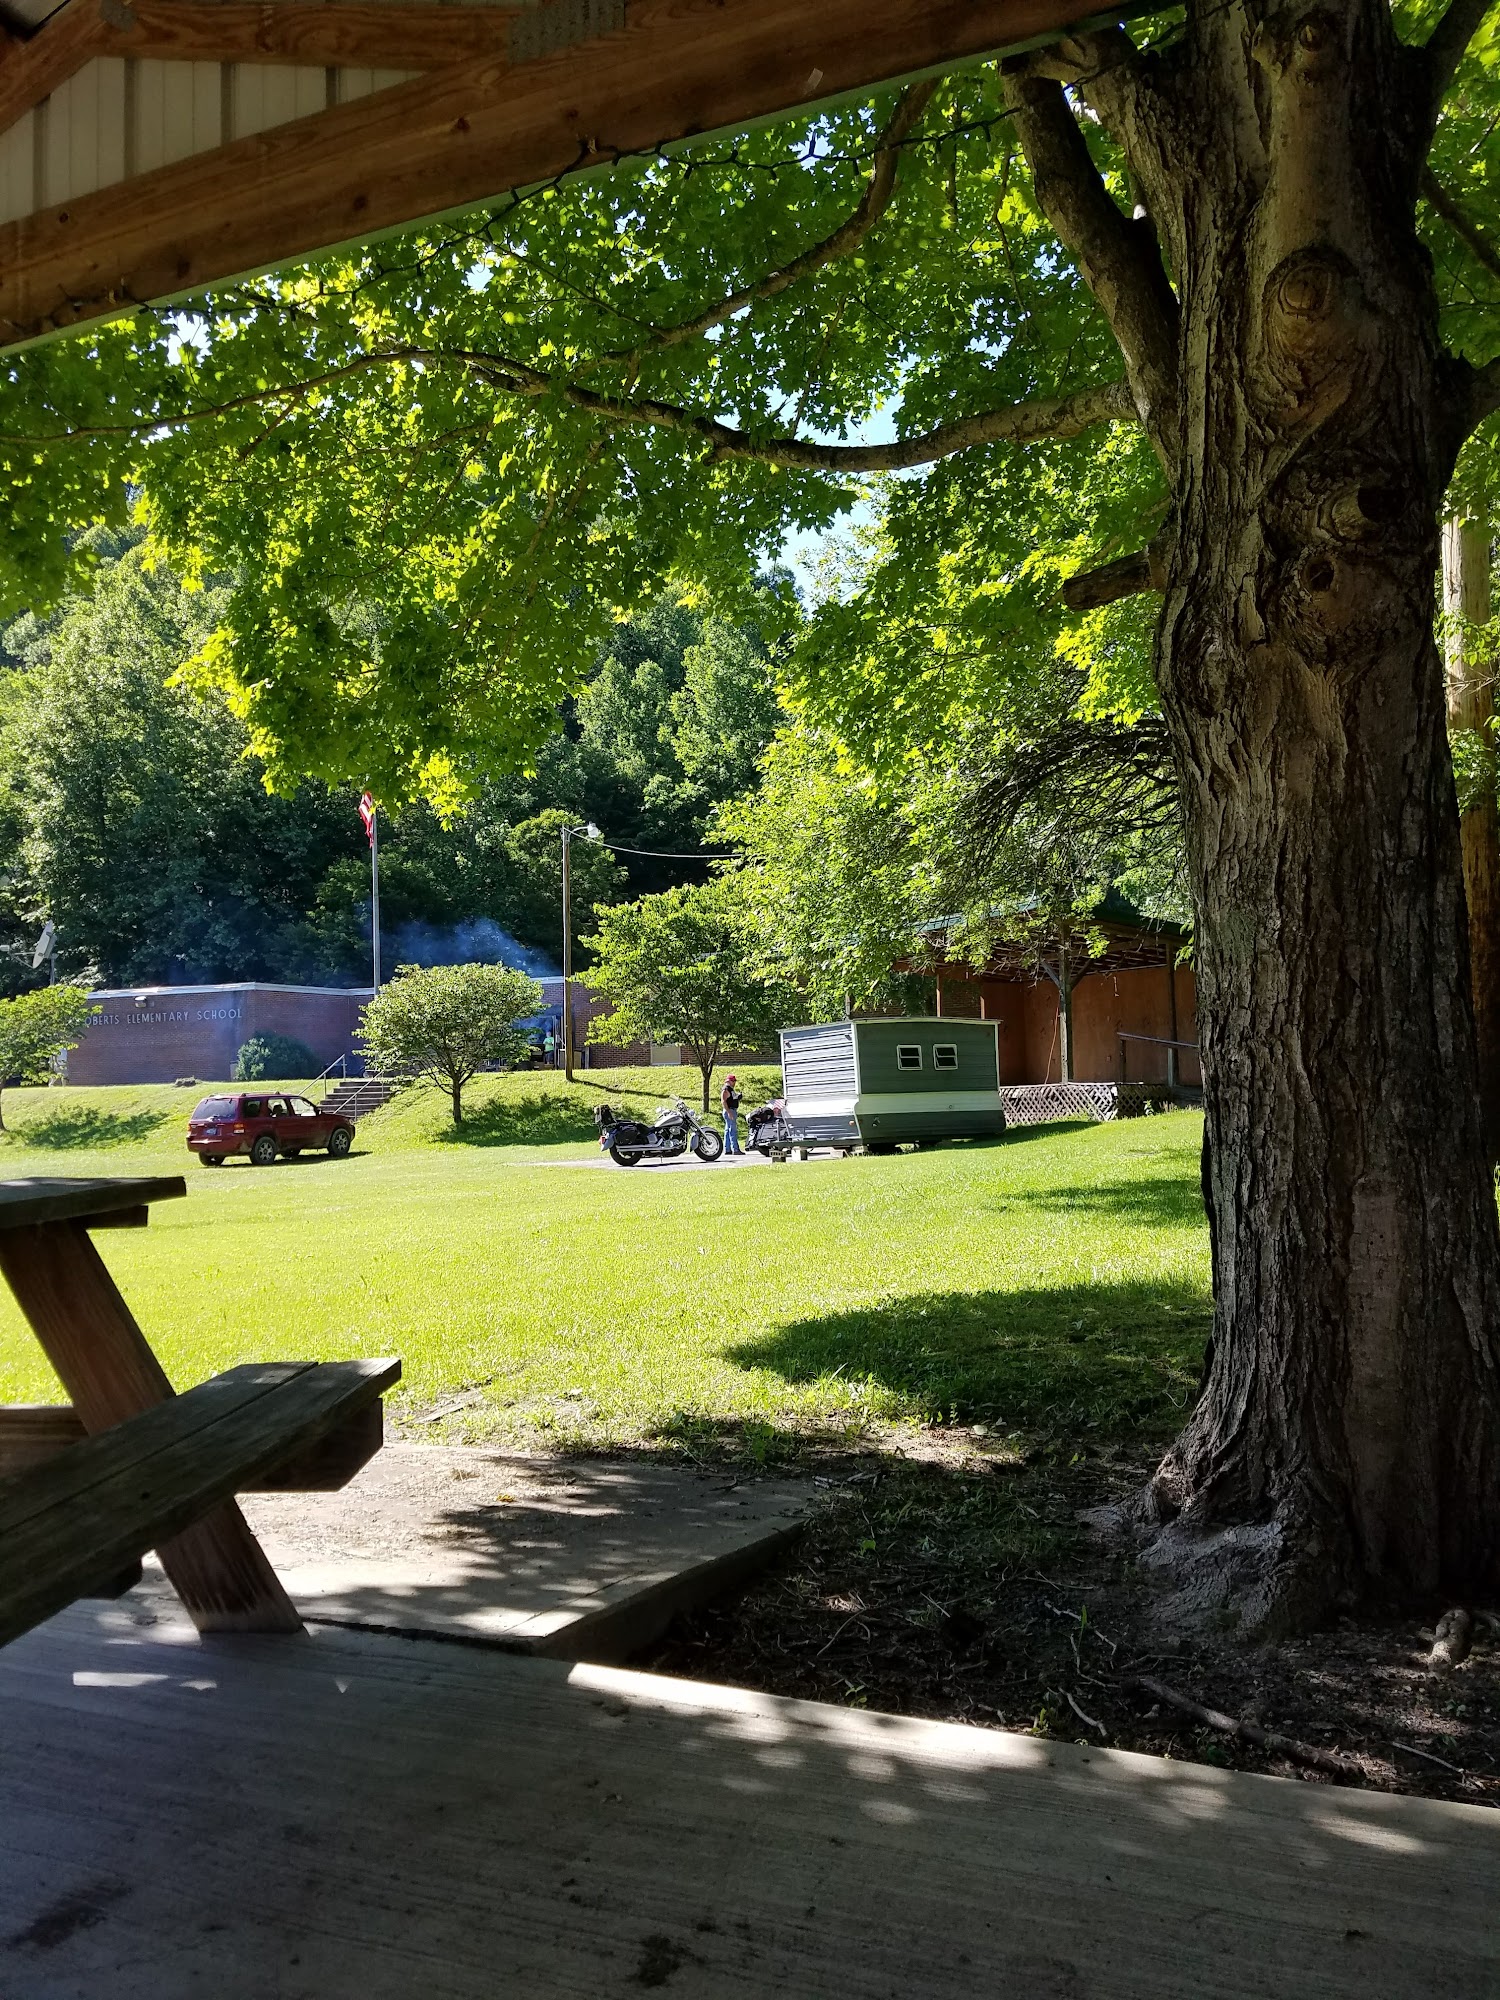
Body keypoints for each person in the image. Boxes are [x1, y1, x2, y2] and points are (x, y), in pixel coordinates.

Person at [720, 1072, 743, 1155]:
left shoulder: (730, 1089)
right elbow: (723, 1101)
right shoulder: (726, 1089)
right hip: (730, 1110)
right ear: (729, 1081)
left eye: (735, 1081)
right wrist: (729, 1112)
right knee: (732, 1130)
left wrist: (738, 1097)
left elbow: (731, 1098)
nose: (734, 1083)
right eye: (733, 1081)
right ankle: (735, 1149)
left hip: (731, 1110)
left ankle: (728, 1149)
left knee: (728, 1130)